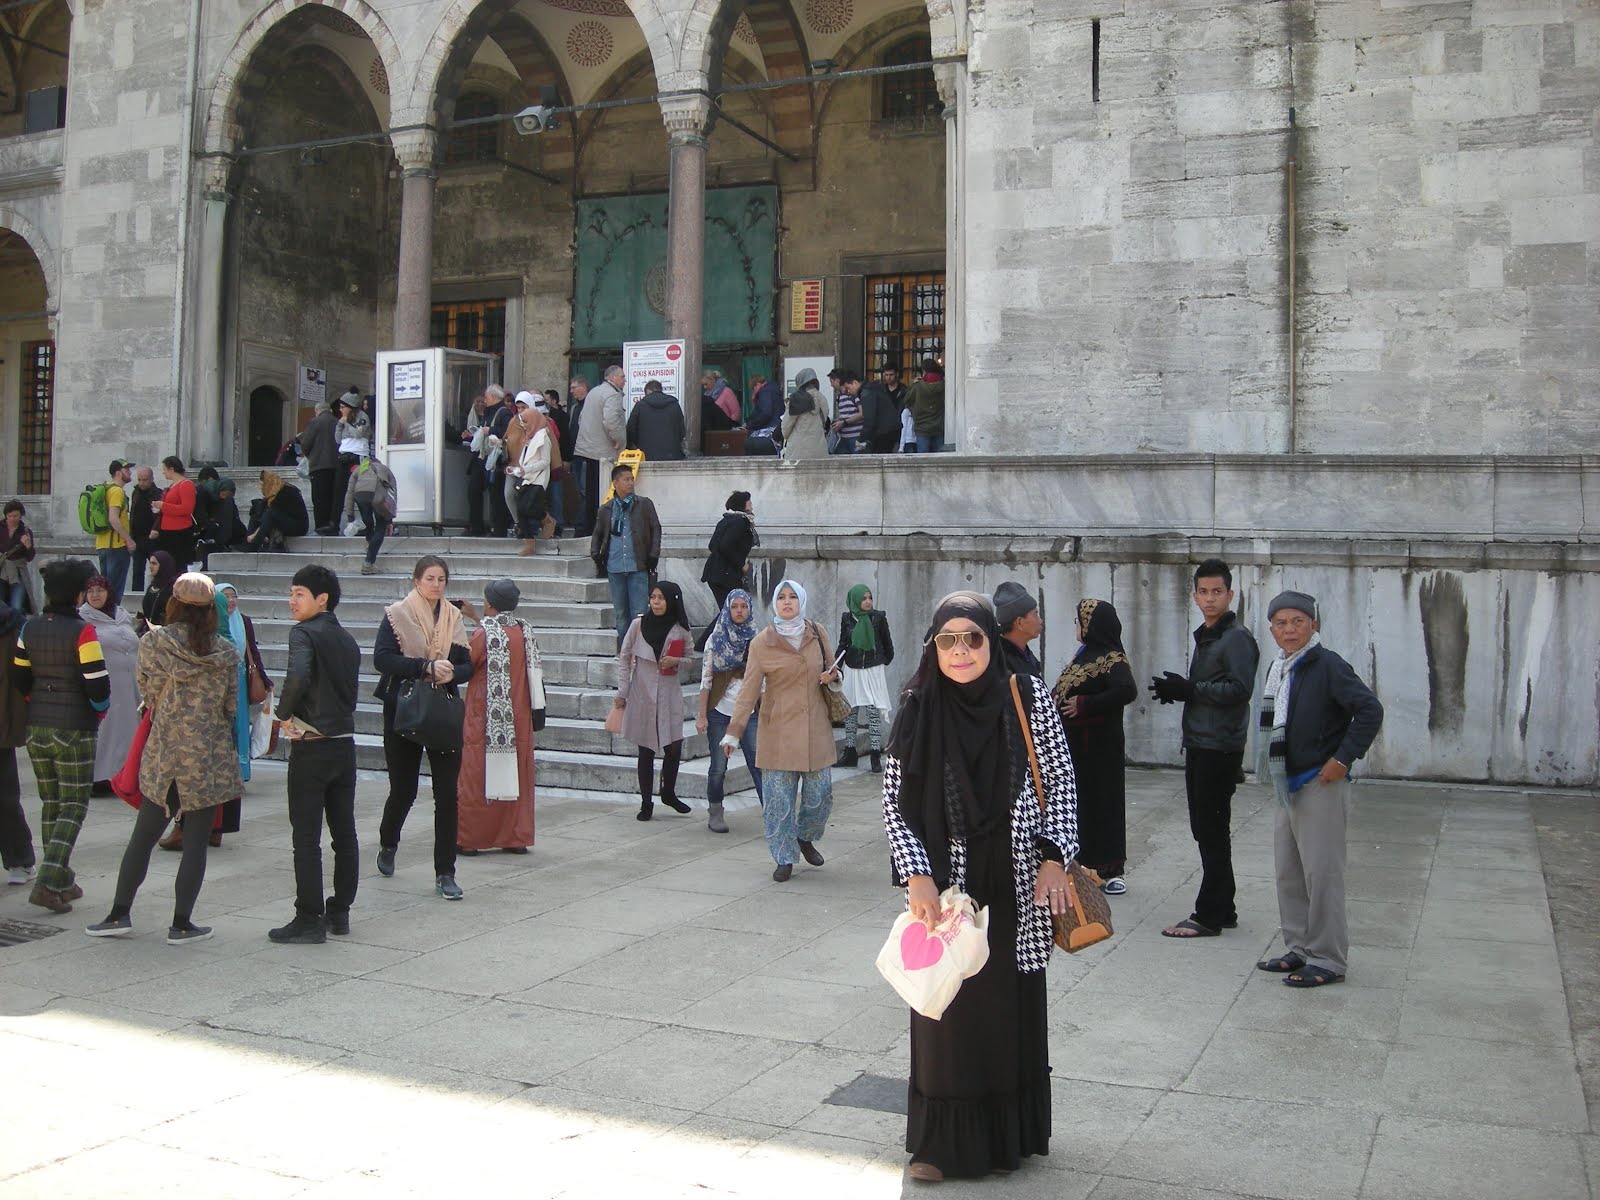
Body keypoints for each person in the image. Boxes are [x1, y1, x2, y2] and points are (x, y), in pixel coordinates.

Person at [880, 591, 1080, 1182]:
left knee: (1006, 1008)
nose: (961, 650)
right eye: (949, 639)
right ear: (933, 647)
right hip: (947, 887)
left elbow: (1061, 781)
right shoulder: (917, 706)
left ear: (992, 642)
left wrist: (1053, 856)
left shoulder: (1028, 697)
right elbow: (895, 803)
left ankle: (1005, 1138)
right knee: (945, 1006)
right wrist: (916, 869)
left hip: (1016, 881)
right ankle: (939, 1147)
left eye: (973, 638)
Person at [83, 573, 241, 945]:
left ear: (174, 603)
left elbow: (149, 691)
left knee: (144, 836)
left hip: (166, 750)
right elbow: (230, 706)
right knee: (197, 841)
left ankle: (119, 914)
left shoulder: (154, 642)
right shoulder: (224, 651)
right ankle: (182, 923)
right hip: (208, 754)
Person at [1255, 590, 1383, 989]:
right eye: (1280, 622)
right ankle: (1299, 946)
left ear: (1313, 625)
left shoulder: (1327, 665)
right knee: (1288, 872)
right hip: (1285, 782)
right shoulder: (1280, 668)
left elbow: (1369, 710)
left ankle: (1328, 957)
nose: (1289, 629)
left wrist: (1343, 759)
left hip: (1318, 782)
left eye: (1297, 621)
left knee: (1322, 872)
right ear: (1272, 629)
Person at [1152, 558, 1259, 939]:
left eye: (1218, 592)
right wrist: (1181, 693)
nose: (1210, 599)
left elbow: (1240, 689)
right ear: (1195, 595)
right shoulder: (1209, 635)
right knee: (1206, 828)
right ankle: (1224, 906)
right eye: (1204, 592)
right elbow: (1215, 688)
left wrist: (1191, 690)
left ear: (1231, 595)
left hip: (1219, 747)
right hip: (1201, 742)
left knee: (1212, 829)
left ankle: (1209, 914)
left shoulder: (1237, 638)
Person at [723, 579, 838, 881]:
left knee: (820, 795)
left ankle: (805, 836)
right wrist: (733, 732)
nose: (787, 602)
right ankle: (784, 857)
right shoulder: (762, 642)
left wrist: (832, 677)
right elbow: (748, 690)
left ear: (801, 601)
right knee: (779, 801)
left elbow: (834, 671)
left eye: (793, 597)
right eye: (781, 597)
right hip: (777, 731)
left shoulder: (817, 632)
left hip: (815, 728)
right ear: (775, 603)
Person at [374, 556, 474, 900]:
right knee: (404, 789)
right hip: (404, 707)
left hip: (441, 710)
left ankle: (445, 871)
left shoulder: (453, 616)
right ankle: (389, 843)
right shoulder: (396, 614)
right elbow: (382, 659)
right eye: (430, 578)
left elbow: (467, 666)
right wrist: (425, 667)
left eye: (441, 579)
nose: (436, 584)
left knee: (447, 794)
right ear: (417, 581)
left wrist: (451, 672)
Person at [13, 559, 110, 913]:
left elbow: (21, 677)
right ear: (78, 594)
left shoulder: (30, 628)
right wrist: (100, 708)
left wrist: (35, 700)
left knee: (51, 802)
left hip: (37, 723)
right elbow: (97, 683)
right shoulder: (83, 632)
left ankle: (63, 879)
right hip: (74, 726)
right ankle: (49, 880)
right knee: (74, 805)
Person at [270, 564, 361, 944]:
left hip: (312, 748)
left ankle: (309, 917)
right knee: (344, 833)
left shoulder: (303, 634)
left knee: (306, 837)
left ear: (321, 599)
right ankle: (339, 913)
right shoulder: (347, 639)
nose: (292, 601)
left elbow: (299, 675)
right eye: (291, 593)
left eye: (299, 594)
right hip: (343, 744)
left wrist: (282, 713)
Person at [1053, 599, 1137, 895]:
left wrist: (1085, 704)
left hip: (1101, 749)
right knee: (1082, 806)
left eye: (1080, 621)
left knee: (1105, 805)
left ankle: (1111, 870)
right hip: (1078, 750)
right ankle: (1083, 866)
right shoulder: (1085, 656)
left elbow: (1127, 690)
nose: (1076, 627)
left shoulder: (1112, 658)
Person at [456, 579, 544, 855]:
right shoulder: (524, 629)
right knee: (517, 775)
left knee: (476, 775)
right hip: (519, 717)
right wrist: (476, 618)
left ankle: (470, 839)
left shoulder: (485, 634)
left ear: (490, 603)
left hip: (487, 717)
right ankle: (515, 837)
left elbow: (469, 664)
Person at [615, 581, 693, 822]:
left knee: (673, 747)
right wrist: (622, 692)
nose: (656, 602)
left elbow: (692, 657)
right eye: (653, 597)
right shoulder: (638, 625)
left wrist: (676, 661)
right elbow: (625, 657)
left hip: (669, 693)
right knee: (645, 748)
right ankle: (646, 802)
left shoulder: (680, 629)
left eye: (661, 598)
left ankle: (668, 792)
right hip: (642, 693)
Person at [695, 589, 761, 834]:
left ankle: (773, 813)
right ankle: (715, 812)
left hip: (749, 711)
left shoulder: (758, 638)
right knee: (719, 765)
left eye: (744, 606)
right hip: (720, 712)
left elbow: (765, 678)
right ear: (727, 609)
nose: (740, 611)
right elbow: (706, 679)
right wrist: (701, 715)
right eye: (735, 607)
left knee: (758, 762)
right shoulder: (716, 638)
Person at [78, 575, 142, 793]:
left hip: (130, 686)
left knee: (129, 732)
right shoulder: (82, 619)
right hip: (104, 686)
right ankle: (100, 779)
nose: (95, 595)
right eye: (91, 591)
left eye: (100, 590)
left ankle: (126, 777)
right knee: (106, 733)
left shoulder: (122, 615)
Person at [590, 465, 661, 648]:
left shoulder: (644, 504)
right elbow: (597, 534)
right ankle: (624, 649)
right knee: (621, 613)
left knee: (639, 611)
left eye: (631, 479)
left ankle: (640, 649)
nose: (630, 483)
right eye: (626, 479)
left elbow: (656, 529)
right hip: (614, 566)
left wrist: (654, 555)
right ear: (615, 483)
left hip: (638, 564)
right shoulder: (606, 509)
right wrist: (596, 555)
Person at [837, 584, 894, 772]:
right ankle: (850, 752)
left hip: (872, 669)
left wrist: (882, 660)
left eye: (869, 597)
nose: (868, 601)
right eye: (863, 598)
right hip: (853, 668)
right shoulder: (847, 618)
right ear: (855, 600)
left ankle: (875, 755)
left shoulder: (879, 617)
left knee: (872, 711)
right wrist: (835, 667)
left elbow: (887, 643)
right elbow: (843, 645)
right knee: (850, 711)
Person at [0, 600, 37, 886]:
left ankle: (21, 860)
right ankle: (20, 860)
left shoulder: (12, 626)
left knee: (5, 798)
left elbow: (23, 676)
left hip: (3, 721)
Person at [697, 490, 757, 650]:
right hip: (724, 575)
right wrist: (741, 564)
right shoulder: (739, 522)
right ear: (742, 505)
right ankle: (702, 644)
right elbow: (724, 547)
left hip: (717, 574)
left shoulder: (727, 520)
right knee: (729, 612)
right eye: (749, 503)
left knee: (729, 611)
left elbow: (713, 545)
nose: (751, 506)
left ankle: (721, 644)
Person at [573, 365, 626, 538]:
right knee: (602, 492)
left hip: (586, 448)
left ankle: (585, 529)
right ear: (612, 378)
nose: (624, 380)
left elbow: (581, 419)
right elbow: (611, 420)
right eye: (622, 377)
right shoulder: (612, 394)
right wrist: (618, 439)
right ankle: (599, 529)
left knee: (588, 492)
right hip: (603, 450)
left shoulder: (594, 392)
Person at [507, 394, 556, 556]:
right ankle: (530, 543)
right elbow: (523, 458)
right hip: (527, 478)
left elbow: (545, 461)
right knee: (521, 509)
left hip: (539, 478)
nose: (525, 426)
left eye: (526, 422)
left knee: (529, 507)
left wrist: (526, 470)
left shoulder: (543, 437)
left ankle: (547, 520)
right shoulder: (529, 438)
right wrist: (516, 469)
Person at [343, 454, 397, 574]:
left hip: (361, 496)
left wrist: (350, 516)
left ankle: (370, 543)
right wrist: (389, 520)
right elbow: (392, 495)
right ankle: (368, 563)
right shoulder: (385, 469)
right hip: (379, 497)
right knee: (380, 527)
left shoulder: (358, 470)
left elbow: (349, 494)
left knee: (368, 523)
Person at [298, 398, 341, 534]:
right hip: (336, 465)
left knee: (319, 498)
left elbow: (305, 443)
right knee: (333, 497)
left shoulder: (314, 422)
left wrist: (307, 454)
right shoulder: (337, 422)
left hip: (319, 466)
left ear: (317, 411)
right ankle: (333, 526)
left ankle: (321, 527)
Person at [96, 458, 135, 605]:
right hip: (116, 546)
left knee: (104, 589)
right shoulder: (117, 491)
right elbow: (113, 519)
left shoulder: (105, 489)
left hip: (102, 545)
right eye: (127, 470)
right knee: (113, 591)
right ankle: (111, 621)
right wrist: (128, 539)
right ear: (118, 473)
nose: (130, 472)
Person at [152, 456, 199, 568]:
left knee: (178, 564)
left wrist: (163, 506)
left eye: (164, 469)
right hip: (167, 531)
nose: (163, 472)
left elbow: (187, 509)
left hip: (179, 532)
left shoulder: (186, 484)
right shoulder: (172, 485)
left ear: (171, 469)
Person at [245, 469, 309, 550]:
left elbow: (272, 514)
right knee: (257, 506)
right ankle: (251, 543)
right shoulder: (274, 494)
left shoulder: (286, 491)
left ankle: (257, 539)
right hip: (284, 521)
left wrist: (256, 534)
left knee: (270, 512)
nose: (262, 487)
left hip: (298, 526)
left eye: (263, 484)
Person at [993, 581, 1044, 677]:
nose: (1040, 621)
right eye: (1035, 614)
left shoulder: (1024, 652)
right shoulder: (1000, 660)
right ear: (1020, 622)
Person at [627, 380, 688, 461]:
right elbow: (682, 430)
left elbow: (631, 428)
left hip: (646, 454)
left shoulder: (640, 406)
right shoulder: (674, 405)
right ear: (660, 390)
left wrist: (637, 444)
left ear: (647, 391)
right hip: (672, 455)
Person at [127, 466, 164, 593]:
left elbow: (160, 516)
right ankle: (136, 594)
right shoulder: (135, 493)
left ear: (151, 479)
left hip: (153, 539)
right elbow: (133, 515)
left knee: (157, 569)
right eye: (140, 480)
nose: (142, 483)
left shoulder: (158, 493)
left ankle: (157, 593)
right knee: (137, 570)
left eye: (145, 480)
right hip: (138, 538)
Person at [780, 369, 829, 460]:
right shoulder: (823, 398)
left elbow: (785, 429)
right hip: (820, 451)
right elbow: (824, 420)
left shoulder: (796, 399)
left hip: (798, 452)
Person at [0, 500, 38, 613]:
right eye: (9, 516)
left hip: (18, 572)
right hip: (1, 571)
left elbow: (30, 557)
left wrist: (28, 546)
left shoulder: (25, 532)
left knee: (16, 605)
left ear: (21, 515)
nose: (12, 519)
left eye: (15, 516)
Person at [904, 358, 946, 452]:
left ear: (924, 371)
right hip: (939, 426)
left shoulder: (918, 386)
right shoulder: (944, 385)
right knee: (940, 459)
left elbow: (907, 400)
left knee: (923, 460)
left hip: (922, 428)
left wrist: (912, 385)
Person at [140, 551, 180, 632]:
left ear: (164, 565)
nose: (150, 567)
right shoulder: (152, 586)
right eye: (150, 563)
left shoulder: (173, 588)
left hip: (166, 633)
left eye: (154, 564)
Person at [744, 375, 783, 456]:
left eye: (753, 388)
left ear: (757, 385)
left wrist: (750, 425)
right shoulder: (772, 390)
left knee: (750, 444)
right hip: (776, 428)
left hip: (769, 428)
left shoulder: (765, 392)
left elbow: (766, 413)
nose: (753, 391)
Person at [829, 370, 864, 454]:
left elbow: (862, 413)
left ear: (837, 380)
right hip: (843, 437)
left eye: (832, 382)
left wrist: (844, 422)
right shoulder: (839, 396)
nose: (831, 385)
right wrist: (839, 421)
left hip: (856, 436)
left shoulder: (853, 394)